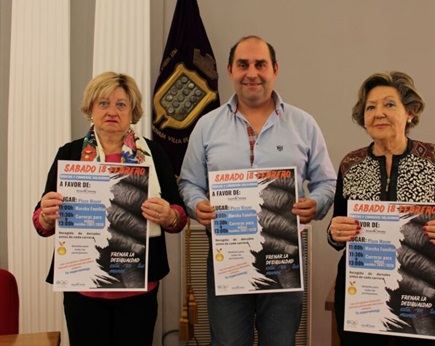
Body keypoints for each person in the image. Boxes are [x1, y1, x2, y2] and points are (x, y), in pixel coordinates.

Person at [179, 35, 336, 346]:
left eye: (260, 64)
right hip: (227, 258)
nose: (252, 73)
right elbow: (188, 183)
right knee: (227, 342)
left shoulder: (303, 124)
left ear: (275, 69)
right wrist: (197, 205)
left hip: (284, 259)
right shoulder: (207, 126)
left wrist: (315, 204)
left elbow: (327, 182)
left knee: (280, 342)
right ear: (230, 70)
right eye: (243, 65)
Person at [32, 71, 187, 346]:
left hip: (139, 287)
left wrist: (169, 215)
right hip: (82, 288)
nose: (112, 111)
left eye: (121, 104)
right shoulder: (69, 154)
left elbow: (178, 215)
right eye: (103, 103)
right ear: (90, 108)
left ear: (133, 112)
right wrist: (46, 214)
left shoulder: (154, 153)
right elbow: (42, 221)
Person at [328, 71, 435, 346]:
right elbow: (336, 233)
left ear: (410, 112)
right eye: (371, 107)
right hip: (361, 295)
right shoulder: (350, 164)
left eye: (389, 104)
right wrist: (334, 232)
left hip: (419, 295)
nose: (379, 113)